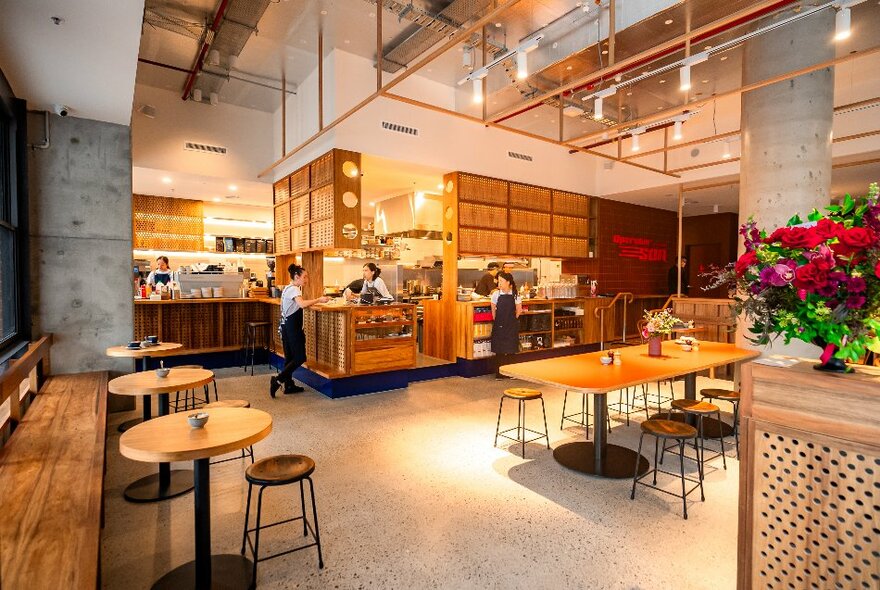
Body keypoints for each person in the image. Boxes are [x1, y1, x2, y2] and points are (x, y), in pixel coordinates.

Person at [270, 264, 330, 397]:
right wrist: (319, 299)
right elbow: (302, 304)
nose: (306, 279)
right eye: (305, 277)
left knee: (290, 357)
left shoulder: (287, 288)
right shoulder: (295, 290)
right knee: (300, 357)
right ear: (297, 277)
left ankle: (289, 385)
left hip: (285, 326)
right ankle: (278, 380)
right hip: (292, 328)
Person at [490, 271, 522, 379]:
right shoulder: (496, 294)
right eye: (498, 281)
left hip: (511, 325)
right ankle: (499, 374)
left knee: (511, 349)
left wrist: (512, 320)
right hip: (499, 325)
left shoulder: (515, 294)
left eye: (501, 281)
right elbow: (493, 310)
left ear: (508, 282)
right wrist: (497, 321)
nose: (499, 284)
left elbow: (519, 310)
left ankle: (511, 373)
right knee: (499, 350)